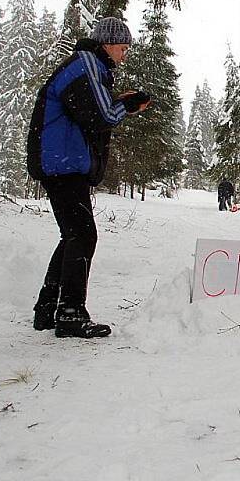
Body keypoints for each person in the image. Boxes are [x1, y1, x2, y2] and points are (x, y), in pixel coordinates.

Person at [26, 17, 151, 339]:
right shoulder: (86, 65)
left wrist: (120, 103)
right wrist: (129, 103)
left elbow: (91, 113)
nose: (124, 54)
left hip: (60, 162)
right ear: (108, 44)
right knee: (82, 235)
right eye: (122, 48)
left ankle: (47, 309)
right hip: (63, 164)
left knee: (72, 235)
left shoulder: (86, 66)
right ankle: (70, 313)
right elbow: (101, 117)